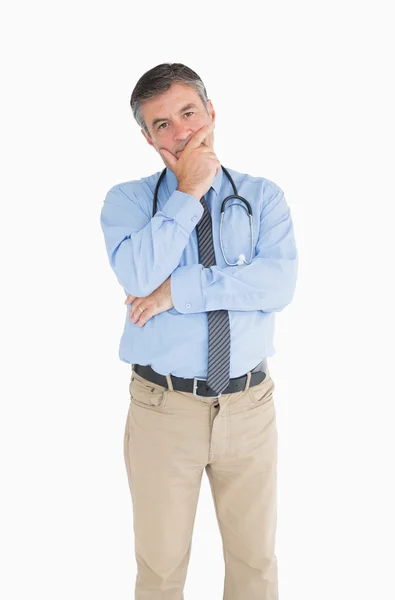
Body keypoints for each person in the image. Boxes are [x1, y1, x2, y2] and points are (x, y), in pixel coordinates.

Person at [100, 62, 298, 600]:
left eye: (189, 112)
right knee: (161, 570)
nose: (181, 130)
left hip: (249, 408)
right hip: (164, 410)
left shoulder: (263, 197)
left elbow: (277, 285)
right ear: (147, 137)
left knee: (255, 563)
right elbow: (139, 275)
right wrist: (188, 192)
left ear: (211, 112)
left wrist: (176, 292)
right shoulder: (130, 202)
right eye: (162, 124)